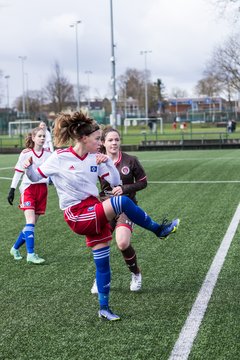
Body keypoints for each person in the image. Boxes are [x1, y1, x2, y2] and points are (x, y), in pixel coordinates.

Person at [24, 111, 180, 321]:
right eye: (98, 139)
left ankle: (104, 309)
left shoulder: (94, 158)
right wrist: (29, 167)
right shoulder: (59, 157)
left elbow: (116, 183)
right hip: (76, 214)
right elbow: (35, 176)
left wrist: (106, 163)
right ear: (82, 138)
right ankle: (159, 230)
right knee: (122, 202)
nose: (101, 143)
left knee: (103, 264)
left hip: (93, 210)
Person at [91, 127, 147, 294]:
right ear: (103, 143)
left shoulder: (131, 161)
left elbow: (143, 182)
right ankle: (100, 277)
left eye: (116, 139)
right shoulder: (96, 161)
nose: (114, 143)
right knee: (100, 245)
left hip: (126, 206)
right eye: (110, 140)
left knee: (122, 243)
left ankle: (136, 274)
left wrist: (125, 188)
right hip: (105, 207)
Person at [7, 127, 52, 264]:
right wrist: (12, 189)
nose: (42, 138)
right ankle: (31, 254)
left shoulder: (49, 154)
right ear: (33, 138)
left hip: (42, 190)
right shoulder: (25, 153)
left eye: (44, 136)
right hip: (28, 189)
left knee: (30, 225)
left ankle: (15, 248)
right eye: (39, 136)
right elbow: (19, 172)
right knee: (30, 222)